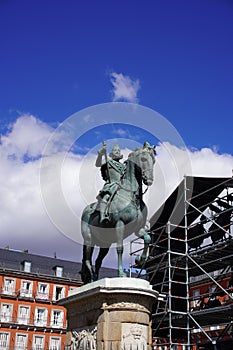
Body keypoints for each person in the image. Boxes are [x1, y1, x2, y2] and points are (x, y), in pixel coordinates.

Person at [95, 143, 125, 223]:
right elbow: (98, 164)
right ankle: (103, 216)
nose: (117, 152)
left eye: (118, 151)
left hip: (122, 186)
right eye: (115, 150)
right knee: (106, 197)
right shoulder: (108, 161)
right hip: (111, 185)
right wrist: (101, 153)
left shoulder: (123, 166)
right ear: (111, 153)